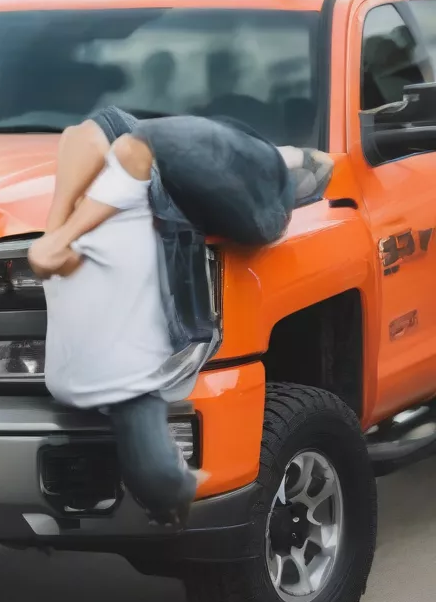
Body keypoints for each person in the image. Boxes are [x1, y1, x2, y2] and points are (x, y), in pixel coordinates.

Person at [29, 108, 333, 526]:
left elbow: (106, 143)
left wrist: (59, 233)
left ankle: (286, 161)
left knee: (116, 142)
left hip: (197, 190)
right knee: (129, 145)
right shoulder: (135, 373)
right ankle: (289, 160)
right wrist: (61, 236)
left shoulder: (91, 377)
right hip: (238, 197)